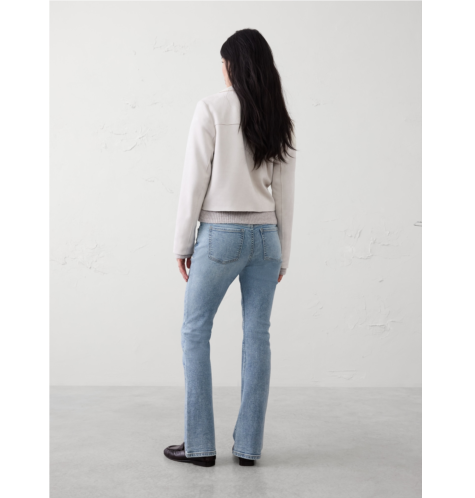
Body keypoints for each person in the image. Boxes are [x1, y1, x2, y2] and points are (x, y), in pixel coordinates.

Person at [164, 28, 296, 468]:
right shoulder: (279, 116)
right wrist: (284, 253)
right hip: (267, 237)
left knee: (194, 331)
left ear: (232, 65)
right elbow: (285, 192)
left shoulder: (211, 108)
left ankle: (200, 445)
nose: (221, 70)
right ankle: (248, 449)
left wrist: (183, 242)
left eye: (223, 63)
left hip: (221, 234)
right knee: (257, 336)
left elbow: (194, 180)